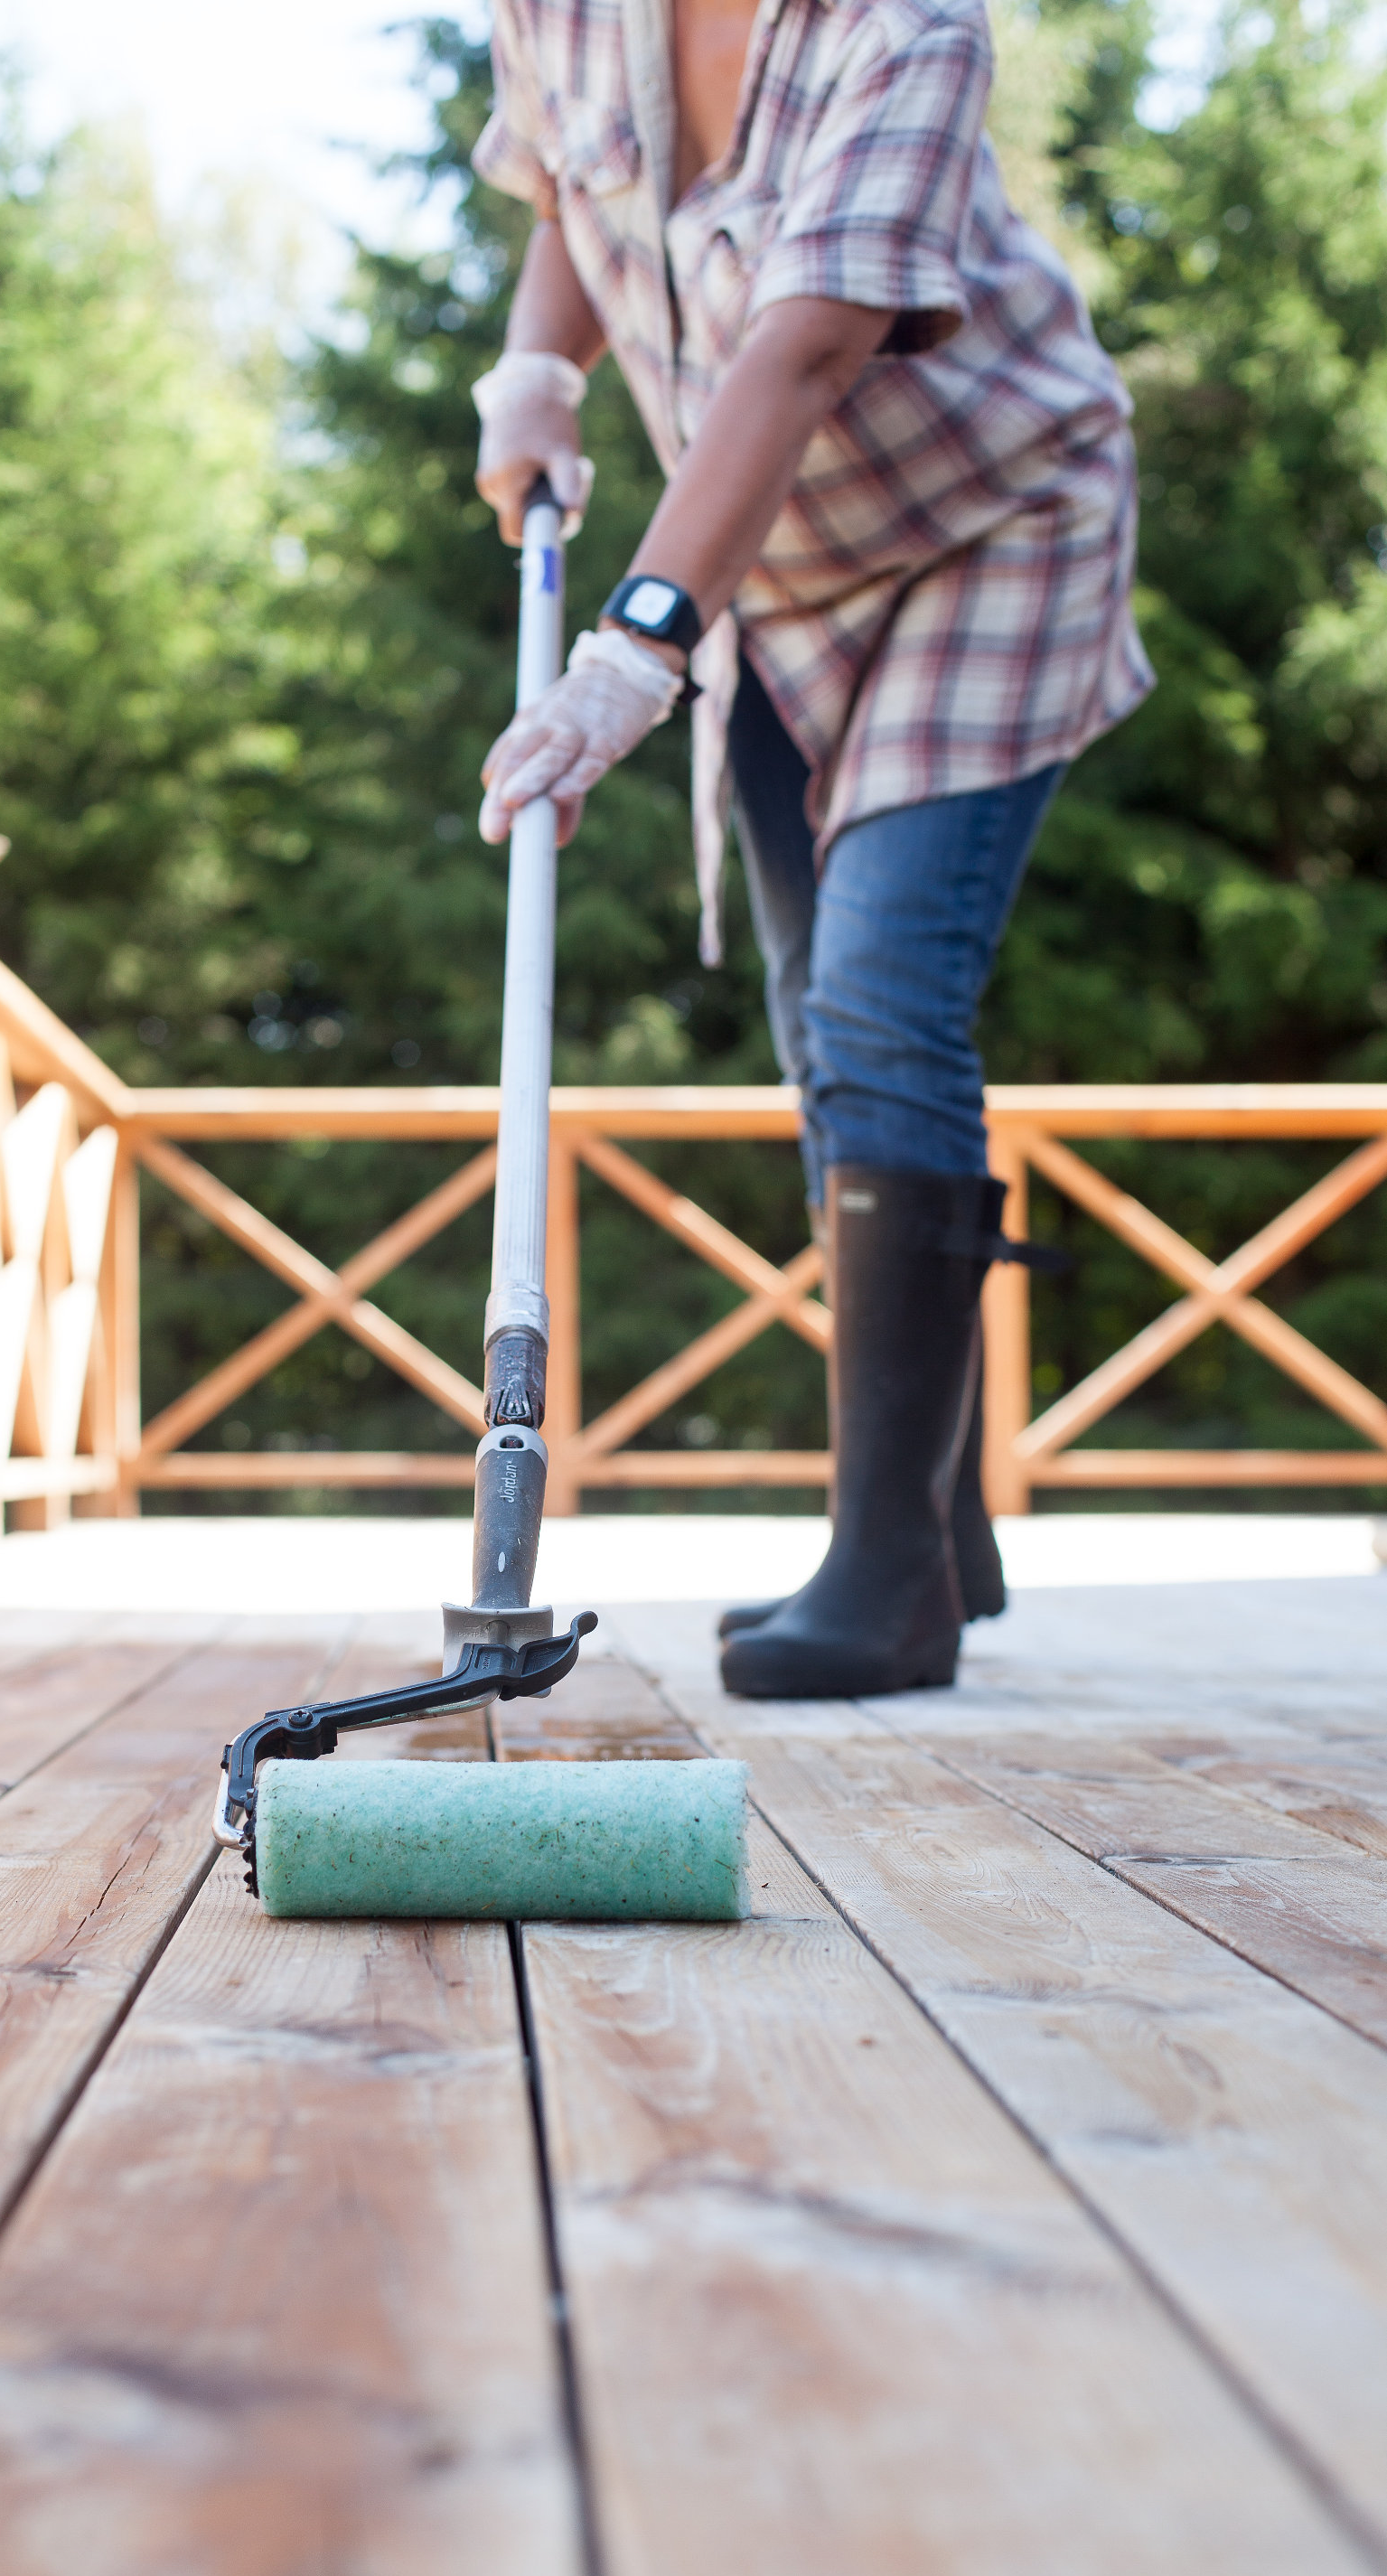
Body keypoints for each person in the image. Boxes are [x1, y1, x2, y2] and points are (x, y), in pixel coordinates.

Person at [470, 0, 1151, 1698]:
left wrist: (631, 649)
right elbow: (566, 188)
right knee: (814, 1025)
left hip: (989, 528)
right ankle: (928, 1519)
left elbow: (808, 349)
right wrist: (536, 376)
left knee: (877, 1000)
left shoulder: (902, 26)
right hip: (767, 567)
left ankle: (891, 1579)